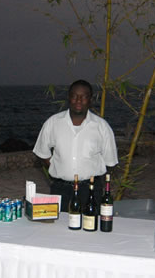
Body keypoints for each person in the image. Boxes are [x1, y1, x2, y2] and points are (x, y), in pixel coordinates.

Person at [33, 79, 118, 211]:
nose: (79, 100)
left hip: (90, 190)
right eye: (75, 96)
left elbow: (110, 162)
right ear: (69, 98)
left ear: (90, 99)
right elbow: (42, 152)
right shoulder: (53, 123)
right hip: (60, 189)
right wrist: (60, 168)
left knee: (90, 228)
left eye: (84, 96)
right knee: (57, 228)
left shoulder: (102, 127)